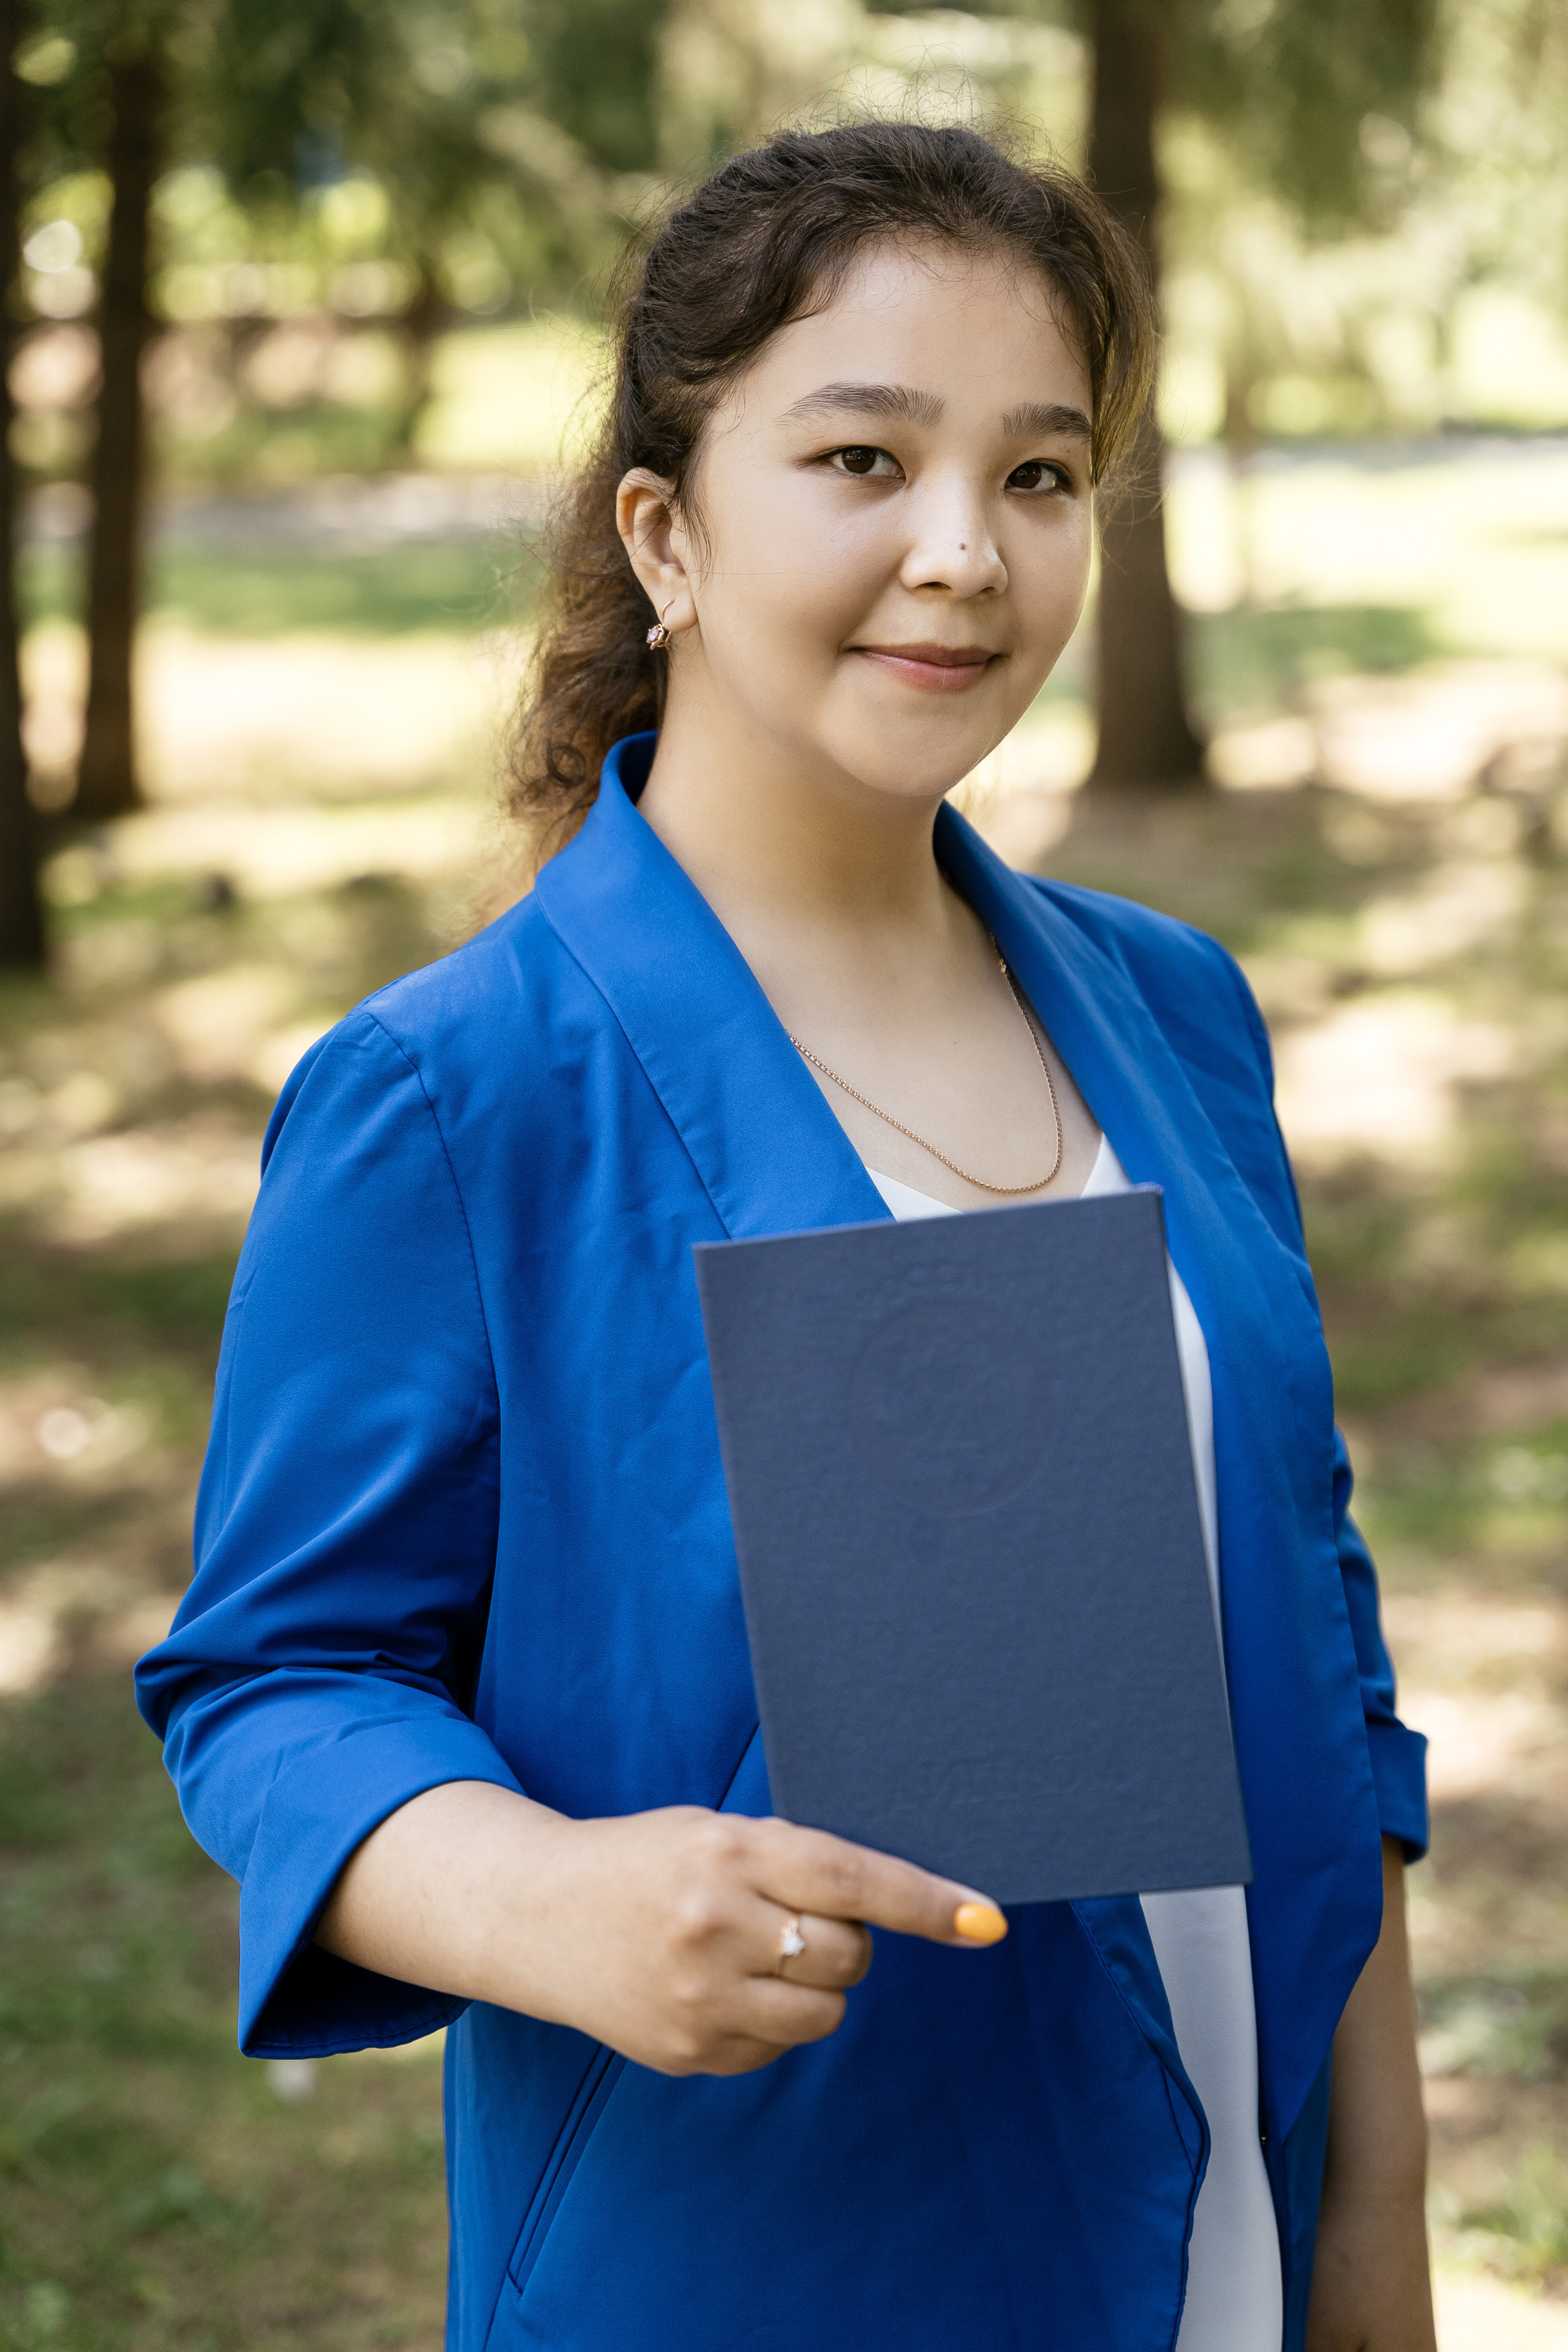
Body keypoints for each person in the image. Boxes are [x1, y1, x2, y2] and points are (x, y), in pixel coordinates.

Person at [137, 120, 1434, 2352]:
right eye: (862, 460)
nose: (966, 552)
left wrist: (1374, 2232)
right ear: (667, 532)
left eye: (1041, 475)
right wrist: (542, 1897)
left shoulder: (1179, 1013)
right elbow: (275, 1683)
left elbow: (1316, 1636)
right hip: (782, 2256)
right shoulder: (456, 1092)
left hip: (1236, 2224)